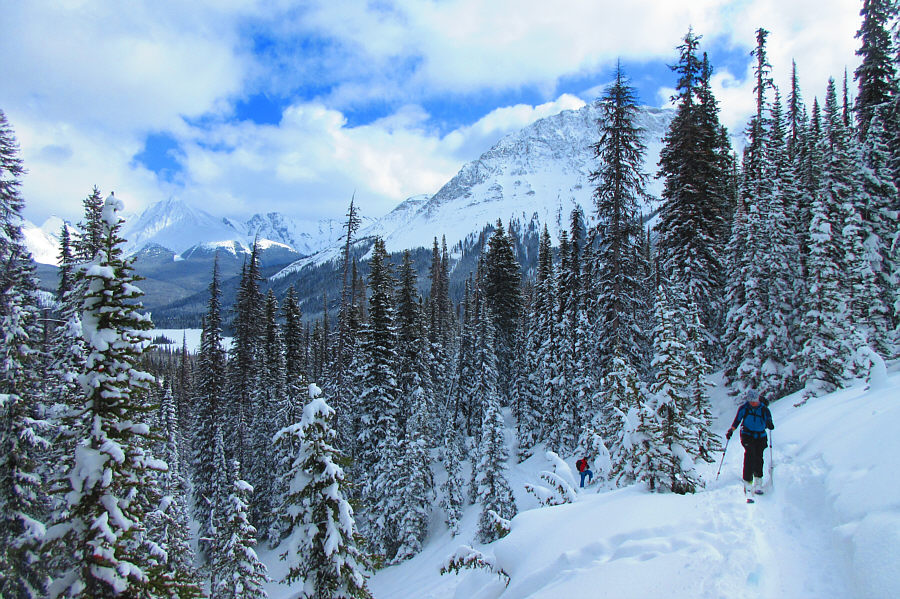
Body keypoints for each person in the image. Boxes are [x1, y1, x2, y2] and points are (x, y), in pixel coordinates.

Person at [726, 389, 774, 495]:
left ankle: (758, 481)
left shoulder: (764, 409)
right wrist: (731, 430)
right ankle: (748, 481)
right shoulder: (744, 408)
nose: (753, 403)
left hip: (761, 436)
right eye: (751, 401)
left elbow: (769, 419)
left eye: (755, 401)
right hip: (747, 435)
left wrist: (770, 423)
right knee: (750, 455)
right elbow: (737, 420)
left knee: (758, 457)